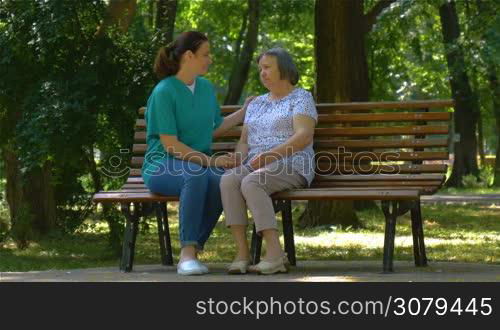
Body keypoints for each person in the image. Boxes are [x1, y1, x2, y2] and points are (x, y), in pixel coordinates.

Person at [143, 31, 253, 275]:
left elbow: (214, 128)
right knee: (195, 175)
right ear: (189, 56)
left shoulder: (204, 88)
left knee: (222, 181)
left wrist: (244, 112)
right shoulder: (164, 91)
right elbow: (170, 144)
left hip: (197, 165)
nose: (210, 59)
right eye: (206, 54)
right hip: (162, 164)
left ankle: (194, 247)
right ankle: (187, 255)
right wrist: (211, 161)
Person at [220, 48, 318, 275]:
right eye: (260, 69)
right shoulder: (256, 103)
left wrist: (271, 155)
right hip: (258, 163)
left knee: (252, 182)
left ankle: (274, 254)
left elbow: (304, 136)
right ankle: (243, 254)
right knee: (228, 180)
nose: (262, 73)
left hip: (292, 161)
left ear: (284, 68)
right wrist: (238, 158)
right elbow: (245, 141)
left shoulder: (301, 97)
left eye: (267, 67)